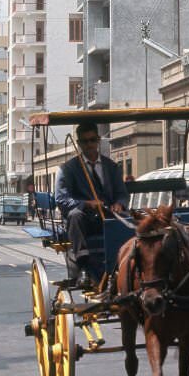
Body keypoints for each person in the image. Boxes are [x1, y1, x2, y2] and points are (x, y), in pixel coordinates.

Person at [55, 122, 129, 285]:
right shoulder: (68, 169)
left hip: (109, 215)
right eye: (85, 141)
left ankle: (127, 264)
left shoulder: (112, 167)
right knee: (75, 216)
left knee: (130, 219)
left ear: (98, 140)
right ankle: (83, 268)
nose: (89, 144)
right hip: (85, 219)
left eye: (92, 140)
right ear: (79, 143)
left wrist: (119, 204)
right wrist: (87, 204)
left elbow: (122, 194)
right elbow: (61, 199)